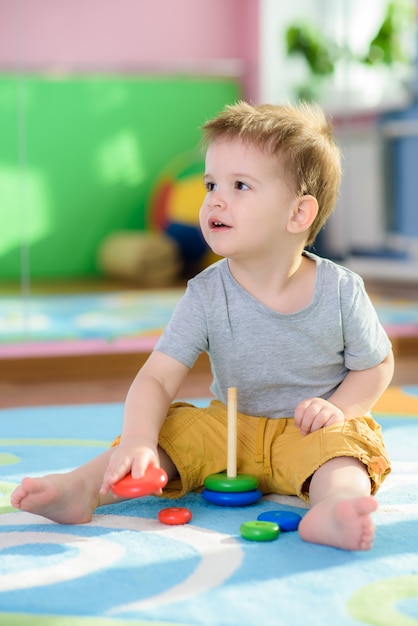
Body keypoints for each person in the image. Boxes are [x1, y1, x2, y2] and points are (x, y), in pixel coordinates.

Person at [11, 101, 394, 551]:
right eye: (211, 182)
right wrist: (137, 439)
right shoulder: (206, 293)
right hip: (229, 430)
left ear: (298, 214)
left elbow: (378, 365)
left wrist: (341, 408)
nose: (213, 197)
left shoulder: (340, 290)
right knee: (170, 432)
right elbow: (158, 375)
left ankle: (334, 510)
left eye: (240, 185)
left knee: (347, 450)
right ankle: (84, 487)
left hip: (310, 434)